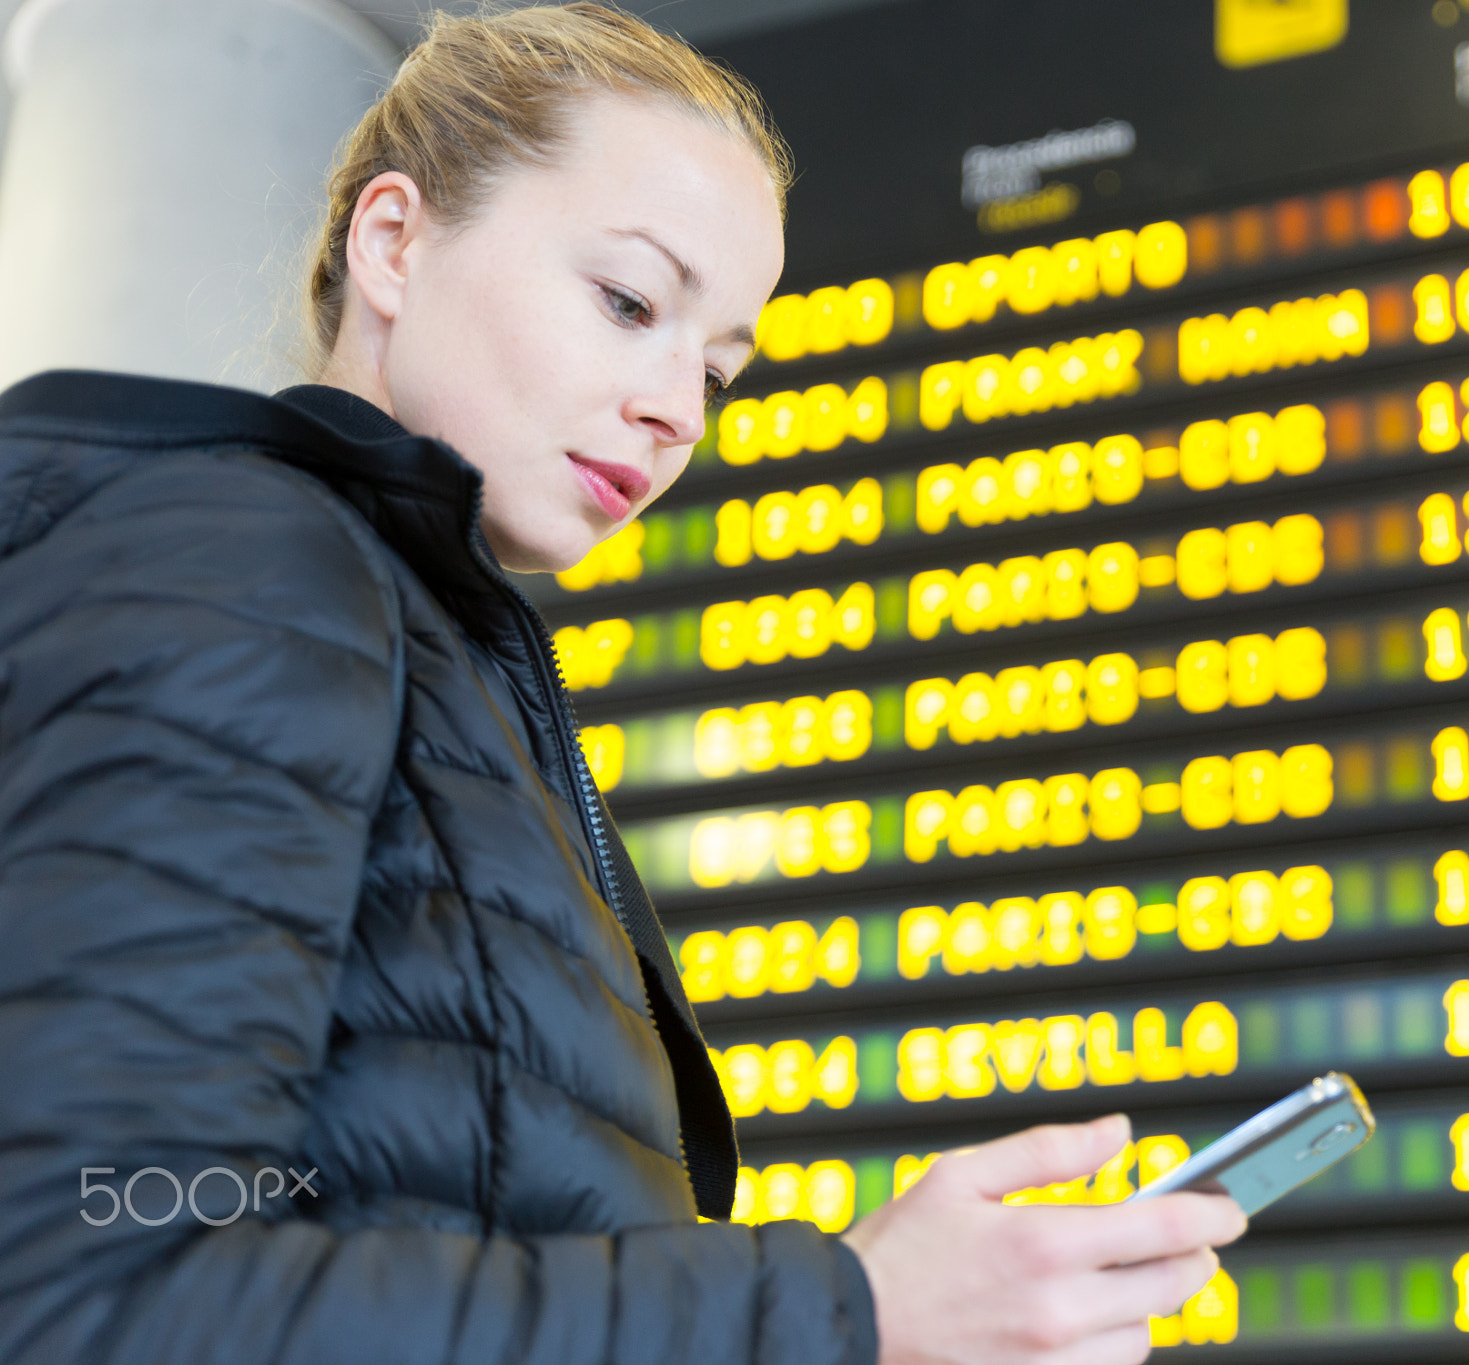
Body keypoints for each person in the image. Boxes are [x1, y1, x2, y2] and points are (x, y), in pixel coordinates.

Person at [0, 5, 1244, 1363]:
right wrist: (851, 1310)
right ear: (395, 241)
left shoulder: (442, 673)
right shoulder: (245, 562)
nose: (679, 410)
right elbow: (87, 1288)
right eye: (630, 303)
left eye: (717, 367)